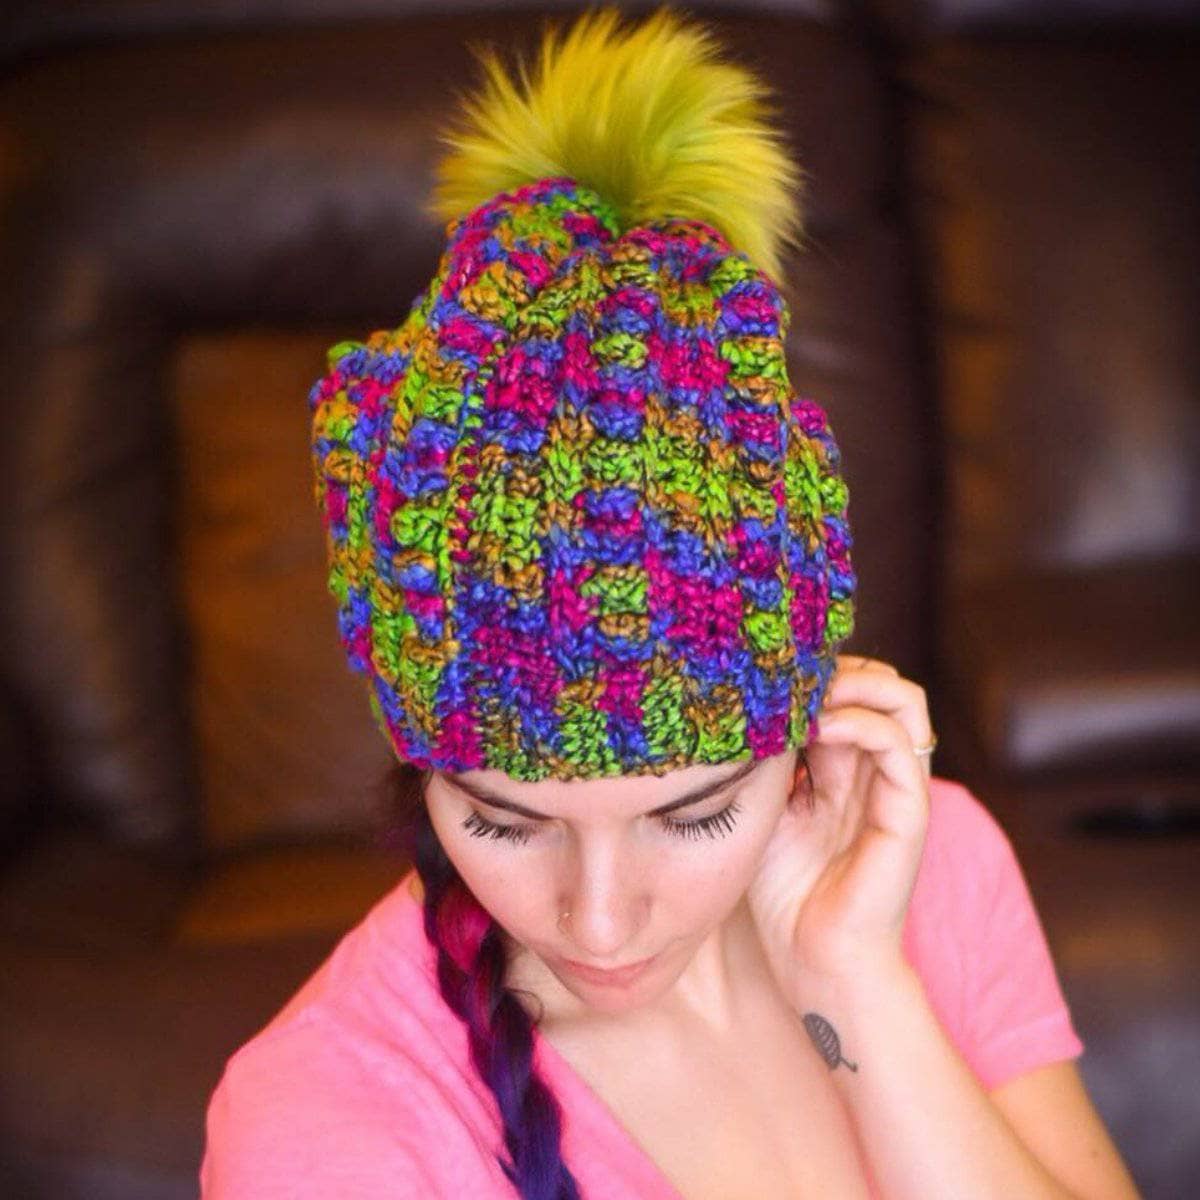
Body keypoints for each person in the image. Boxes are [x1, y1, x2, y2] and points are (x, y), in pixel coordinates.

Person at [199, 6, 1141, 1198]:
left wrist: (858, 983)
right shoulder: (323, 1125)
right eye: (504, 822)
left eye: (694, 817)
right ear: (421, 769)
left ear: (803, 732)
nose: (600, 926)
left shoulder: (925, 866)